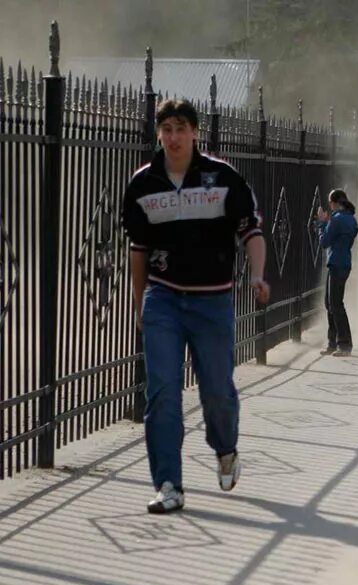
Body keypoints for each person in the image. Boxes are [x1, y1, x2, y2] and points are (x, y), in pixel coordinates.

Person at [121, 99, 269, 514]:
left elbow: (251, 230)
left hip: (212, 301)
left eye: (180, 128)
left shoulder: (223, 178)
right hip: (163, 299)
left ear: (194, 132)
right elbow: (138, 249)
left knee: (216, 391)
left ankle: (225, 449)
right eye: (165, 129)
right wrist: (140, 304)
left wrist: (257, 274)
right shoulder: (143, 184)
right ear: (159, 134)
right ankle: (168, 483)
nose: (172, 137)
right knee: (163, 392)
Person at [317, 189, 358, 356]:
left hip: (336, 263)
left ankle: (343, 344)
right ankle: (334, 342)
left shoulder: (336, 219)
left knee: (334, 304)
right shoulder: (351, 219)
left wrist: (321, 223)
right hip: (344, 262)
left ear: (334, 202)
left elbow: (324, 242)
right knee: (332, 303)